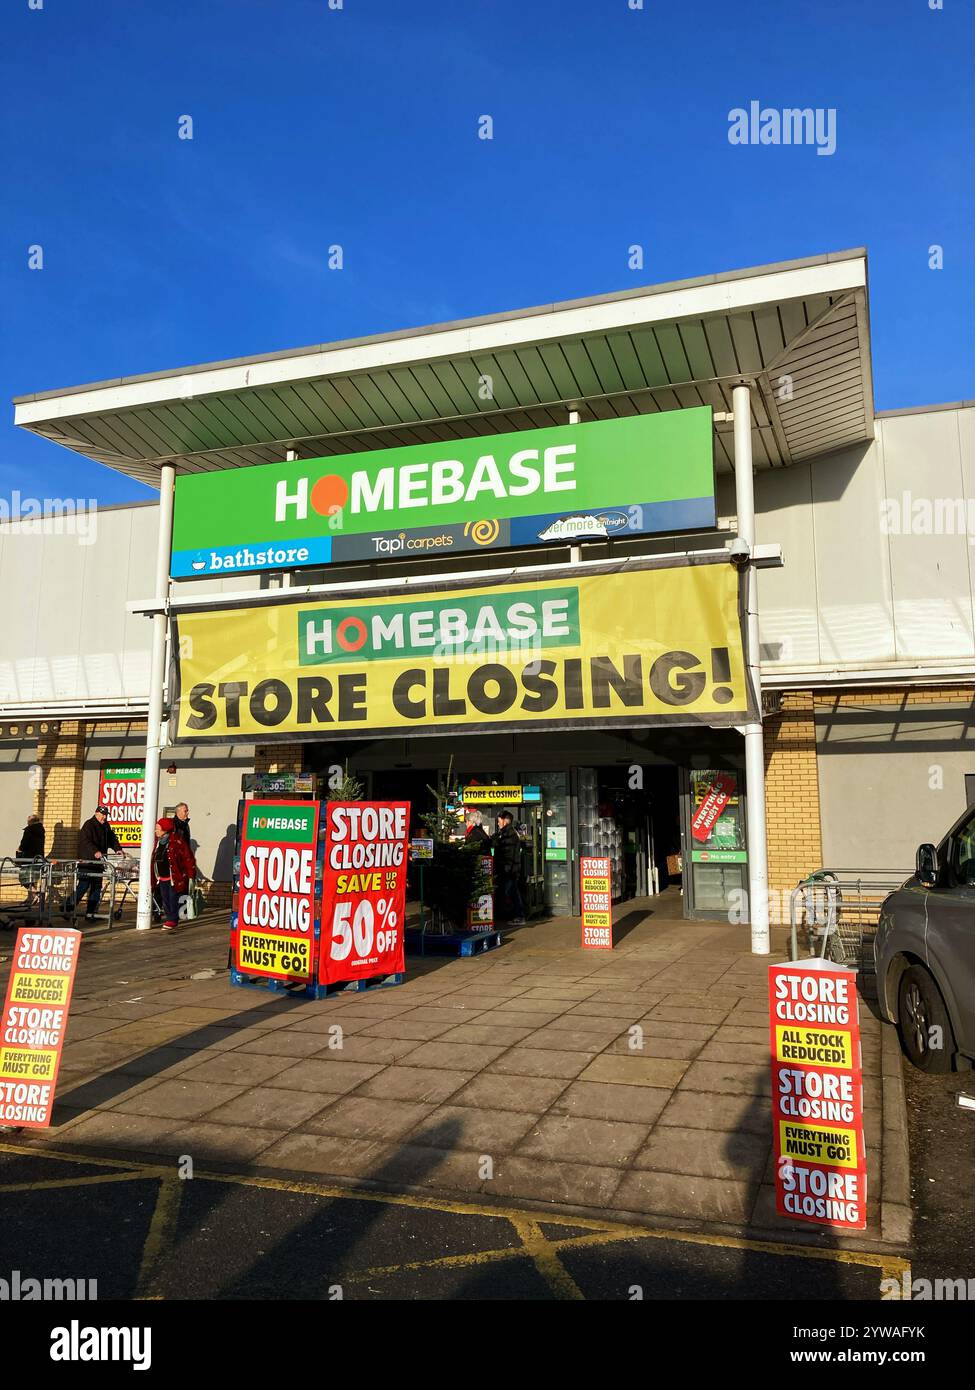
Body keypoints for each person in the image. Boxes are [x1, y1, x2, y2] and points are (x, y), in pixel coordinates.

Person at [64, 805, 126, 920]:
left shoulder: (106, 826)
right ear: (96, 813)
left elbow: (112, 839)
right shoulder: (89, 825)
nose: (104, 818)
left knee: (97, 887)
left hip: (98, 863)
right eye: (102, 815)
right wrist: (95, 851)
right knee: (83, 886)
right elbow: (85, 841)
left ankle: (91, 913)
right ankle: (67, 908)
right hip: (87, 862)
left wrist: (118, 849)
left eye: (106, 815)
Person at [151, 817, 196, 932]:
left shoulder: (176, 841)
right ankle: (170, 917)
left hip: (174, 876)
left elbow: (187, 857)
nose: (156, 831)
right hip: (161, 876)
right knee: (165, 898)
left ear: (165, 829)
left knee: (173, 898)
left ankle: (173, 920)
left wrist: (191, 874)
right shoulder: (158, 843)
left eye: (158, 829)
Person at [492, 808, 526, 925]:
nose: (497, 823)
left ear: (505, 821)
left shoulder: (509, 835)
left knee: (511, 892)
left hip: (509, 871)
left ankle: (519, 916)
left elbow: (508, 854)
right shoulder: (504, 834)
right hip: (509, 870)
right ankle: (517, 915)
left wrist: (505, 870)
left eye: (499, 820)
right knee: (512, 892)